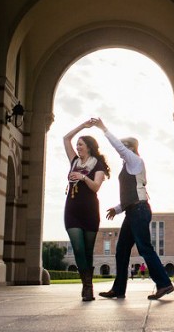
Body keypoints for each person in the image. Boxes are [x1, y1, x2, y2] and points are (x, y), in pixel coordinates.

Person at [92, 117, 174, 300]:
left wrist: (103, 128)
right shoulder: (129, 166)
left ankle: (164, 284)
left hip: (138, 211)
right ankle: (118, 289)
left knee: (144, 248)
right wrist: (117, 209)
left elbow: (119, 148)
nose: (121, 150)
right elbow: (133, 193)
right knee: (122, 250)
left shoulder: (135, 160)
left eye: (124, 146)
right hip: (132, 211)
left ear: (131, 148)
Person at [62, 119, 110, 301]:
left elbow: (96, 187)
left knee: (88, 252)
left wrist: (83, 177)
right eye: (77, 145)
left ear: (89, 147)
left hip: (90, 212)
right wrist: (82, 126)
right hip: (72, 211)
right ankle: (87, 286)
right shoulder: (74, 161)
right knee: (78, 249)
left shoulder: (98, 165)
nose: (77, 147)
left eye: (81, 144)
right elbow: (66, 138)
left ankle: (87, 287)